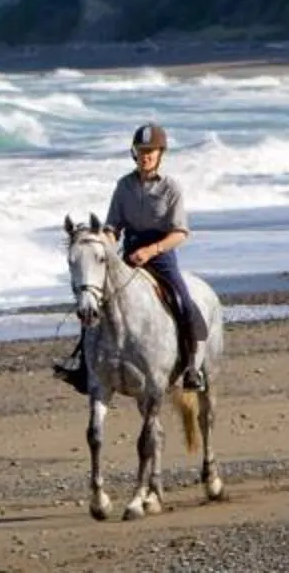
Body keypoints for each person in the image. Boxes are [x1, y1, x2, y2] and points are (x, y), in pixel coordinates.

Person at [55, 122, 206, 392]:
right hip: (129, 254)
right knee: (94, 302)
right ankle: (85, 367)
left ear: (160, 154)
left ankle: (191, 367)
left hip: (161, 256)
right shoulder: (124, 186)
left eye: (150, 151)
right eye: (141, 151)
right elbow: (113, 227)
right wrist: (104, 242)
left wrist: (151, 250)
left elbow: (180, 232)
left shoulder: (171, 188)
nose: (145, 156)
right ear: (134, 153)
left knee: (183, 301)